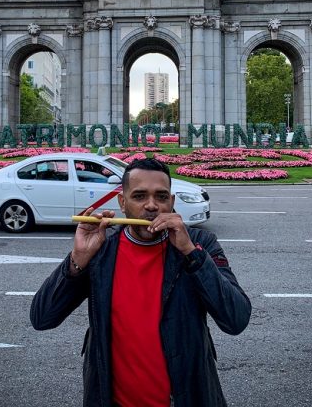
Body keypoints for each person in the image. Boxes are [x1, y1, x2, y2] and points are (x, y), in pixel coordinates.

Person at [30, 157, 251, 407]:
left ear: (172, 202)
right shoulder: (101, 249)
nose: (151, 206)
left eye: (161, 196)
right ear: (122, 203)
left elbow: (236, 319)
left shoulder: (201, 244)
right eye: (139, 196)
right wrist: (77, 259)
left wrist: (192, 253)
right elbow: (42, 318)